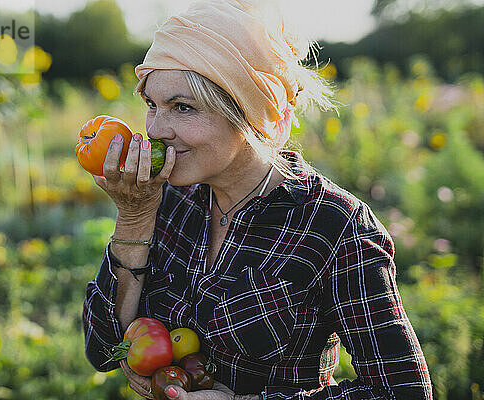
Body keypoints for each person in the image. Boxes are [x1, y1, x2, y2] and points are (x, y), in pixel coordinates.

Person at [82, 0, 433, 398]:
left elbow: (403, 391)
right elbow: (103, 351)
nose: (156, 129)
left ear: (246, 112)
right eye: (151, 105)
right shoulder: (165, 199)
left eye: (182, 107)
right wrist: (134, 217)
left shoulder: (334, 226)